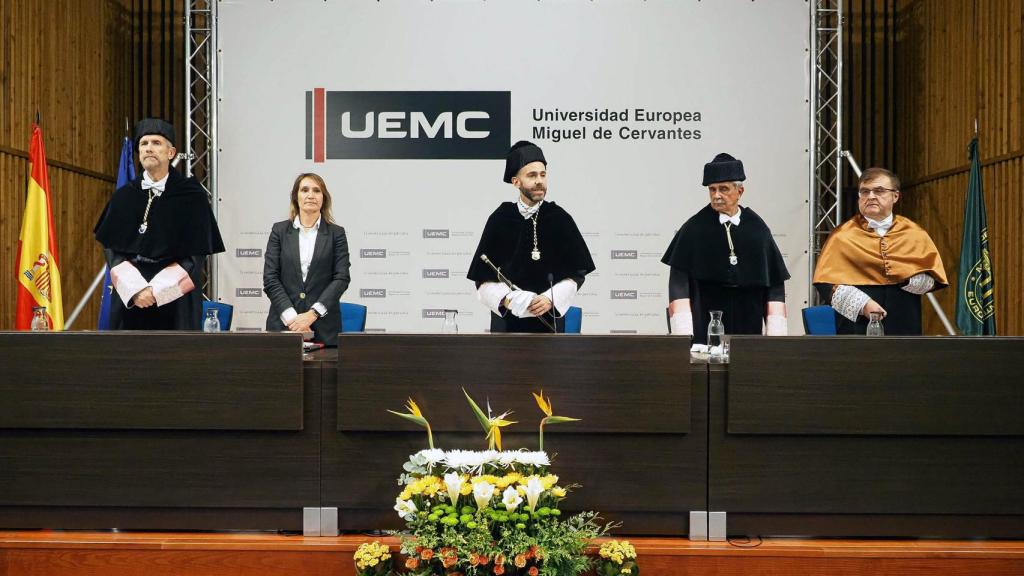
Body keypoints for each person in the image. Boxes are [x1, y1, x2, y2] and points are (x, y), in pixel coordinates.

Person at [94, 118, 224, 330]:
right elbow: (112, 250)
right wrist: (136, 290)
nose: (148, 148)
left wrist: (156, 292)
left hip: (176, 301)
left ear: (171, 152)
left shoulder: (191, 196)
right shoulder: (124, 196)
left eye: (156, 143)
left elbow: (194, 256)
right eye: (144, 144)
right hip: (131, 299)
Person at [467, 141, 595, 333]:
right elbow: (482, 281)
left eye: (543, 175)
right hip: (507, 326)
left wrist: (549, 299)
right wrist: (510, 299)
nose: (539, 181)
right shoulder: (500, 218)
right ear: (515, 182)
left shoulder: (559, 218)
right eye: (532, 175)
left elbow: (577, 273)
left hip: (549, 323)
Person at [661, 152, 790, 343]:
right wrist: (683, 336)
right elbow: (678, 284)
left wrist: (775, 339)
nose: (717, 195)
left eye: (723, 189)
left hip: (749, 327)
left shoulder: (758, 229)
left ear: (740, 191)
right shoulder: (693, 229)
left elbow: (775, 283)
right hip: (704, 325)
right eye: (712, 190)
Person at [813, 167, 947, 334]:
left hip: (904, 325)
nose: (871, 196)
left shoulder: (915, 234)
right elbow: (825, 283)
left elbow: (933, 279)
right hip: (856, 327)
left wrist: (905, 276)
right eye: (864, 192)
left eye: (879, 191)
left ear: (895, 196)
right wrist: (863, 305)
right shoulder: (842, 236)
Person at [263, 172, 351, 346]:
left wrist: (312, 315)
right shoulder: (279, 231)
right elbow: (270, 278)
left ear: (323, 198)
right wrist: (293, 320)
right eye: (305, 190)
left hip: (324, 329)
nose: (311, 195)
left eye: (317, 190)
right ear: (296, 196)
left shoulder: (336, 234)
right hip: (284, 325)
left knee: (323, 374)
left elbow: (341, 278)